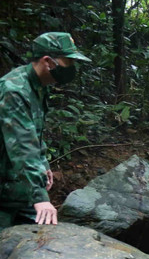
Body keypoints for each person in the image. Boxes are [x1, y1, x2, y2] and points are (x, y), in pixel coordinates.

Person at [0, 32, 91, 228]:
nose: (72, 68)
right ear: (48, 62)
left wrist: (43, 163)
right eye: (68, 62)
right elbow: (21, 144)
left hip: (18, 187)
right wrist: (40, 196)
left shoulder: (39, 86)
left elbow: (33, 132)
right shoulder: (14, 90)